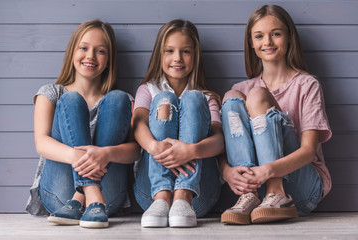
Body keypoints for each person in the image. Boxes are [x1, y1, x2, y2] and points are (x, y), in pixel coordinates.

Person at [220, 5, 332, 225]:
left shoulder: (307, 85)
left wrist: (268, 171)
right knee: (232, 97)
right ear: (251, 43)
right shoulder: (242, 88)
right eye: (259, 36)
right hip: (258, 193)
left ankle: (276, 191)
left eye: (276, 34)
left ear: (289, 37)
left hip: (303, 187)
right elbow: (225, 146)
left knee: (258, 96)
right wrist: (226, 171)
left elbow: (309, 152)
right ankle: (249, 196)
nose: (267, 42)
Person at [26, 19, 140, 228]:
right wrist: (81, 157)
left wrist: (105, 154)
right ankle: (90, 192)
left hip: (109, 197)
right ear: (72, 52)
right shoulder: (51, 93)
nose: (90, 56)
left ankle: (83, 195)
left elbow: (136, 151)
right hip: (59, 194)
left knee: (117, 98)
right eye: (84, 48)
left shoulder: (125, 101)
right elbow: (41, 143)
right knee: (71, 100)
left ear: (109, 59)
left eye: (100, 51)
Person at [132, 19, 224, 228]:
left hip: (198, 196)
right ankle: (163, 195)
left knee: (192, 99)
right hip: (152, 193)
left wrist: (192, 150)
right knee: (165, 99)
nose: (177, 58)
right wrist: (153, 147)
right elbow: (138, 125)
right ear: (160, 55)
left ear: (195, 56)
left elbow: (219, 141)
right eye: (169, 51)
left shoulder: (206, 97)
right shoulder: (147, 90)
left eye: (186, 52)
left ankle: (183, 195)